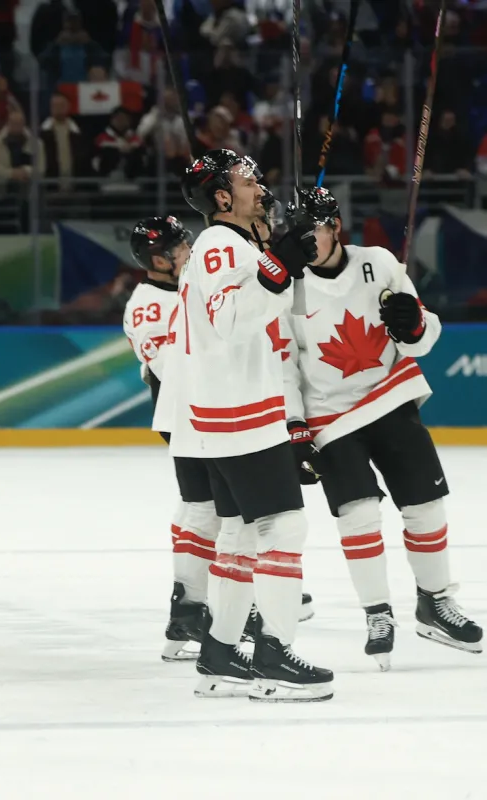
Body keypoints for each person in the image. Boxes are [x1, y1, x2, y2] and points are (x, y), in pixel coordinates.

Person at [287, 186, 481, 670]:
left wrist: (413, 325)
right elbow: (283, 364)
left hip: (389, 397)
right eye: (299, 235)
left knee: (426, 507)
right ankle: (378, 615)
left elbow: (422, 337)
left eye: (314, 232)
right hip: (329, 418)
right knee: (358, 515)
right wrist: (294, 426)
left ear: (335, 227)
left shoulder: (379, 263)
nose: (308, 243)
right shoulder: (287, 289)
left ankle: (435, 603)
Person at [160, 149, 329, 702]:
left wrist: (284, 258)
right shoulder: (218, 244)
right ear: (222, 198)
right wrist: (275, 265)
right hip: (235, 414)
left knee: (238, 533)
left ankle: (220, 651)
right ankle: (275, 655)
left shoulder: (235, 245)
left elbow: (267, 315)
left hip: (230, 412)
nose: (261, 185)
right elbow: (232, 321)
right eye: (248, 178)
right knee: (284, 527)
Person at [124, 214, 218, 662]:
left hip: (202, 411)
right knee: (209, 507)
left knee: (203, 507)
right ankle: (191, 611)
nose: (189, 251)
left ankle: (189, 615)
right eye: (181, 247)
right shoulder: (147, 304)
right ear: (158, 259)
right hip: (185, 414)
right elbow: (170, 367)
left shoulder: (187, 285)